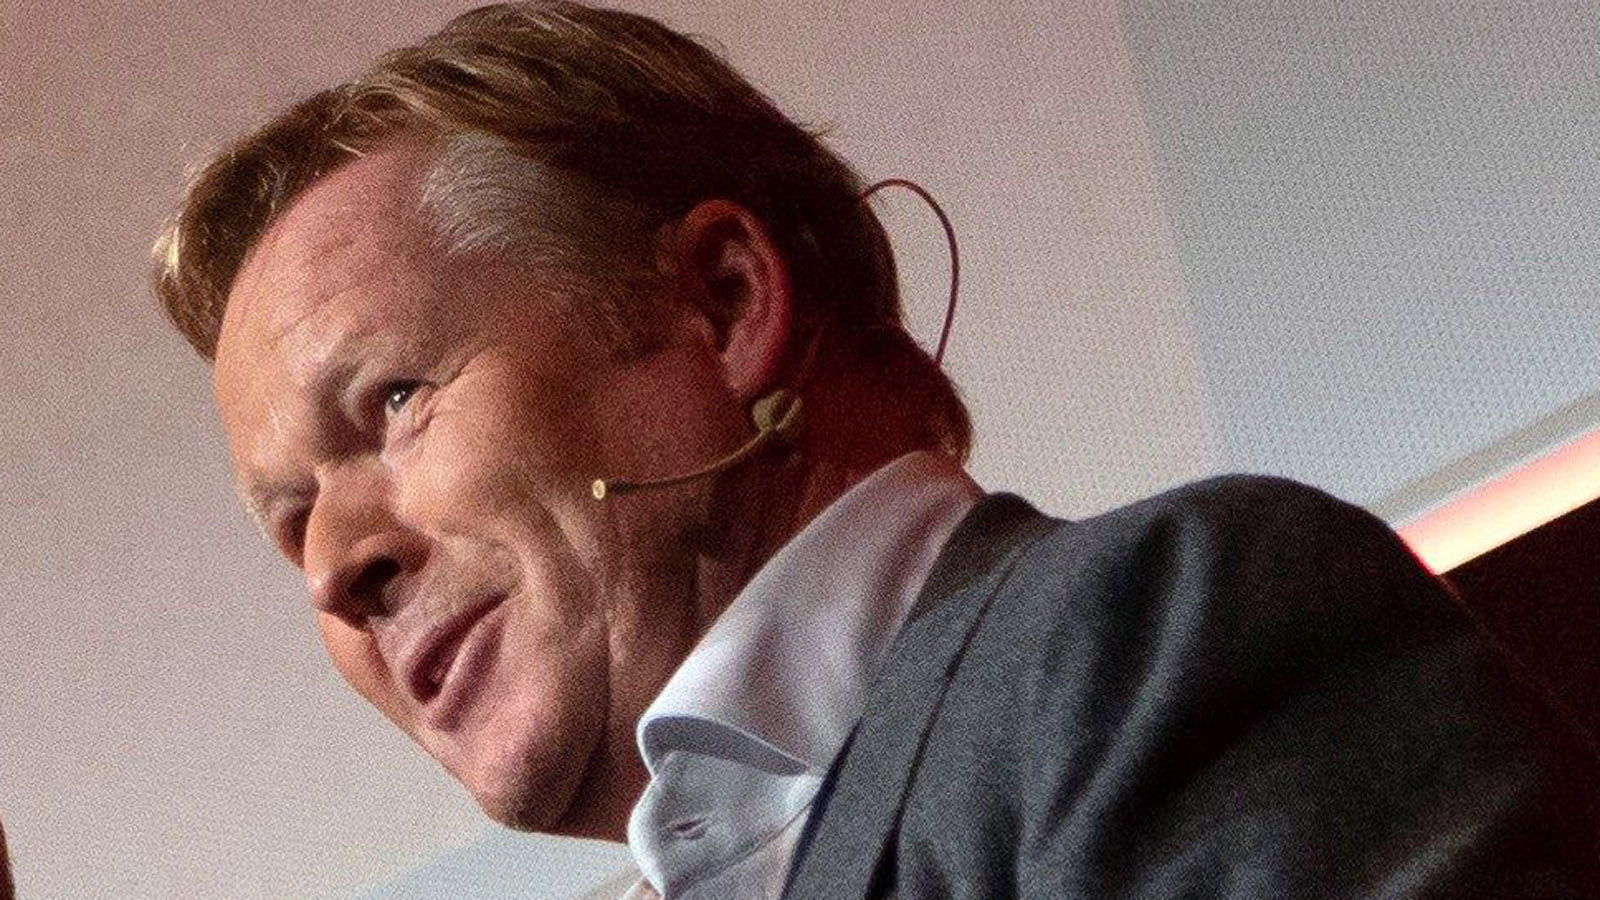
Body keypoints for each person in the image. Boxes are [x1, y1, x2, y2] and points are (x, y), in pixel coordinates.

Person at [151, 2, 1600, 897]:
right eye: (288, 522)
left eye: (393, 403)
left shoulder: (1153, 632)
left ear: (723, 305)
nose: (335, 568)